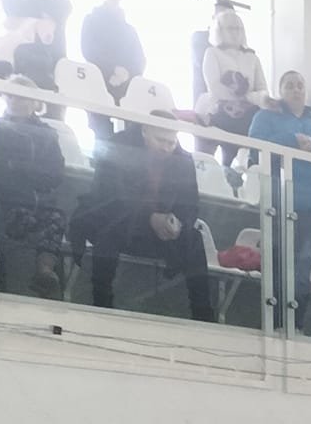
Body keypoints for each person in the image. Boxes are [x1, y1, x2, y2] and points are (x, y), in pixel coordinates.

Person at [73, 114, 214, 322]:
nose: (166, 148)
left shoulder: (183, 159)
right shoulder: (118, 146)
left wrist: (177, 222)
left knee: (194, 239)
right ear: (145, 131)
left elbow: (191, 203)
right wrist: (148, 217)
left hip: (160, 231)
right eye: (160, 140)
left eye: (171, 142)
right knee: (108, 230)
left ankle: (203, 316)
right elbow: (108, 195)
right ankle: (102, 305)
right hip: (119, 219)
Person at [248, 71, 311, 329]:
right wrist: (291, 141)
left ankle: (296, 325)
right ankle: (274, 324)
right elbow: (256, 150)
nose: (296, 90)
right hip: (278, 202)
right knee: (277, 263)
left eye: (300, 85)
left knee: (303, 267)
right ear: (280, 90)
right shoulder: (265, 116)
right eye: (290, 85)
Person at [0, 76, 68, 299]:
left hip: (40, 203)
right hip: (5, 202)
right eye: (11, 95)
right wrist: (20, 171)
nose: (16, 101)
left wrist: (23, 170)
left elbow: (55, 173)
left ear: (36, 103)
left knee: (57, 218)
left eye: (23, 97)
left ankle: (45, 272)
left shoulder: (48, 134)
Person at [194, 8, 264, 164]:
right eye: (230, 28)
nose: (235, 33)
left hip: (249, 110)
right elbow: (214, 86)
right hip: (221, 110)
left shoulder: (252, 57)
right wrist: (236, 96)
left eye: (238, 28)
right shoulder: (212, 53)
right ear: (220, 30)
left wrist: (247, 97)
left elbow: (262, 90)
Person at [77, 0, 142, 139]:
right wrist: (112, 69)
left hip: (126, 89)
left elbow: (140, 60)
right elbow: (88, 50)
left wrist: (127, 74)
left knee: (130, 135)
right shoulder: (91, 20)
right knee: (102, 135)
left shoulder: (129, 30)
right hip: (97, 85)